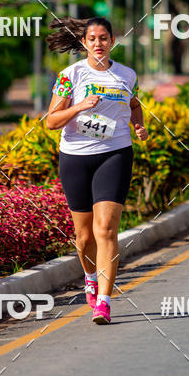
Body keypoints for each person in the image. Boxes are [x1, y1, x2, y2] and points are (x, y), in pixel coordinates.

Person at [45, 17, 148, 325]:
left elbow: (134, 105)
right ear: (84, 43)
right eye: (92, 38)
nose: (98, 43)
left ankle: (103, 301)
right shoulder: (70, 75)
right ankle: (90, 275)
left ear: (112, 41)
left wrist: (139, 126)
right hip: (75, 156)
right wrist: (79, 106)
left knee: (106, 230)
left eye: (104, 38)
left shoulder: (126, 75)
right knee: (84, 236)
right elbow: (51, 121)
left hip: (115, 153)